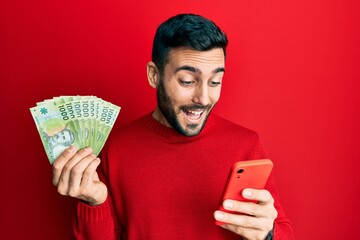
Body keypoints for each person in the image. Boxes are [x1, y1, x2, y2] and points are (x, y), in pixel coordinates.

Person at [52, 13, 294, 239]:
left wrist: (268, 233)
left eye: (215, 81)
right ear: (154, 75)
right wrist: (94, 204)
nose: (203, 97)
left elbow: (282, 228)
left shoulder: (246, 144)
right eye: (188, 81)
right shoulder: (115, 149)